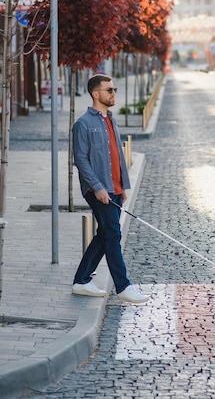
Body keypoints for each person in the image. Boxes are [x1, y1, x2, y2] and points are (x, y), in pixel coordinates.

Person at [71, 73, 149, 305]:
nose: (114, 93)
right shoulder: (83, 124)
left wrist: (122, 186)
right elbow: (81, 160)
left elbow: (117, 155)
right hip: (98, 190)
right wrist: (97, 188)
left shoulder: (110, 120)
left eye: (114, 89)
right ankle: (123, 286)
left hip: (114, 188)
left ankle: (82, 280)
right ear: (96, 94)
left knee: (105, 234)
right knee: (113, 233)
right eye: (109, 90)